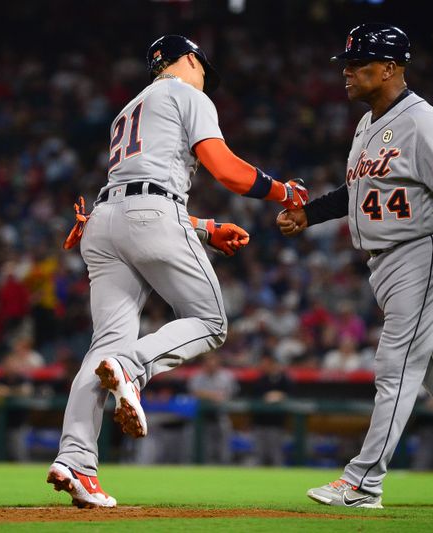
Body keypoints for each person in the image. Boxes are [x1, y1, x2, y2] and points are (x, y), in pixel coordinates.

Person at [278, 23, 433, 511]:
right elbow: (357, 195)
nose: (348, 74)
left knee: (394, 365)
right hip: (393, 258)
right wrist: (308, 215)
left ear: (391, 69)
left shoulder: (423, 122)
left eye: (360, 65)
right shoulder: (367, 124)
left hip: (428, 249)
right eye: (348, 65)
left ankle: (363, 482)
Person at [47, 34, 309, 508]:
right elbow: (225, 170)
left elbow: (136, 194)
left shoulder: (127, 110)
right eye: (203, 67)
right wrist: (283, 193)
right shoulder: (188, 93)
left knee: (104, 344)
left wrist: (207, 229)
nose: (204, 76)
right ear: (189, 60)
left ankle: (75, 461)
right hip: (151, 215)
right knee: (211, 322)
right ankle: (133, 369)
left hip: (102, 223)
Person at [187, 352, 238, 464]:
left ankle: (224, 467)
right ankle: (203, 467)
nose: (211, 364)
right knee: (203, 447)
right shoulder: (197, 376)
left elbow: (229, 394)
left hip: (221, 415)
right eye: (208, 362)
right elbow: (194, 392)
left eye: (213, 361)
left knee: (224, 447)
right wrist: (212, 395)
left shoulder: (226, 376)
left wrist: (208, 395)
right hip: (201, 419)